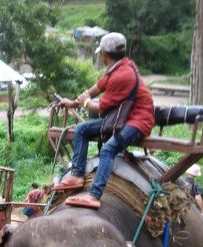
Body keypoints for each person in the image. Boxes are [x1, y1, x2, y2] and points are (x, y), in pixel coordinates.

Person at [56, 32, 155, 209]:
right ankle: (77, 174)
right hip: (121, 118)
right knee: (82, 129)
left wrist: (86, 101)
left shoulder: (121, 75)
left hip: (137, 121)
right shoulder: (121, 67)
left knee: (108, 149)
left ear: (103, 54)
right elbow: (96, 88)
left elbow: (100, 107)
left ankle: (94, 194)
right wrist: (73, 102)